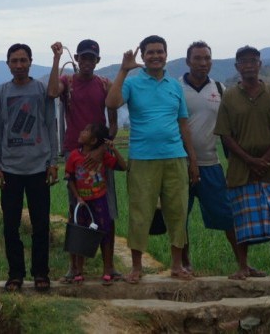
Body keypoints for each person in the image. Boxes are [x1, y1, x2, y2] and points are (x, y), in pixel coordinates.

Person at [105, 35, 199, 283]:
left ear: (166, 54)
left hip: (175, 157)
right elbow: (111, 102)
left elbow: (183, 125)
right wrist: (123, 70)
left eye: (160, 52)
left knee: (177, 212)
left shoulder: (174, 85)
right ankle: (136, 267)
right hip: (142, 158)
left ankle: (177, 266)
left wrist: (193, 160)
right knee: (140, 212)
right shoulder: (133, 83)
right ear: (143, 57)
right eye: (150, 53)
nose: (156, 56)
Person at [180, 41, 263, 278]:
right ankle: (185, 264)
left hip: (211, 164)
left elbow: (230, 131)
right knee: (180, 218)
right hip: (180, 165)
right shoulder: (176, 89)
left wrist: (237, 163)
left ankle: (243, 265)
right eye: (197, 58)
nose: (202, 62)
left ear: (211, 62)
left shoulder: (220, 89)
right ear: (188, 61)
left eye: (206, 58)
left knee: (229, 217)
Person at [214, 46, 270, 280]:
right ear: (237, 67)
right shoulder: (228, 96)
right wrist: (250, 160)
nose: (249, 65)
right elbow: (225, 136)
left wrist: (265, 158)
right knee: (241, 218)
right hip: (241, 168)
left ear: (260, 64)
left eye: (253, 61)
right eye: (244, 62)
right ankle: (243, 266)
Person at [47, 39, 120, 283]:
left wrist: (101, 151)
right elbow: (52, 91)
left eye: (92, 58)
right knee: (76, 210)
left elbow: (113, 124)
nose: (87, 62)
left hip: (100, 157)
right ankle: (74, 268)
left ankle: (109, 267)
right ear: (77, 59)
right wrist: (57, 57)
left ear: (98, 61)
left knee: (105, 210)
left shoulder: (104, 84)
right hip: (74, 153)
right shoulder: (67, 82)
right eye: (83, 57)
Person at [0, 43, 58, 292]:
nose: (18, 65)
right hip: (10, 169)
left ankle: (41, 273)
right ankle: (15, 274)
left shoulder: (41, 90)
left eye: (23, 60)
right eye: (14, 61)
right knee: (10, 225)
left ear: (30, 62)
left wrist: (53, 162)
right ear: (7, 63)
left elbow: (51, 125)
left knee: (41, 225)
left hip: (39, 167)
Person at [65, 123, 126, 286]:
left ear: (93, 141)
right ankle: (78, 270)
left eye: (85, 131)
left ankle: (107, 269)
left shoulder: (102, 157)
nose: (81, 131)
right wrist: (77, 197)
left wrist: (113, 148)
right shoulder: (73, 156)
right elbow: (70, 178)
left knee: (104, 233)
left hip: (99, 200)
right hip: (82, 202)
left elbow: (123, 166)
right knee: (80, 233)